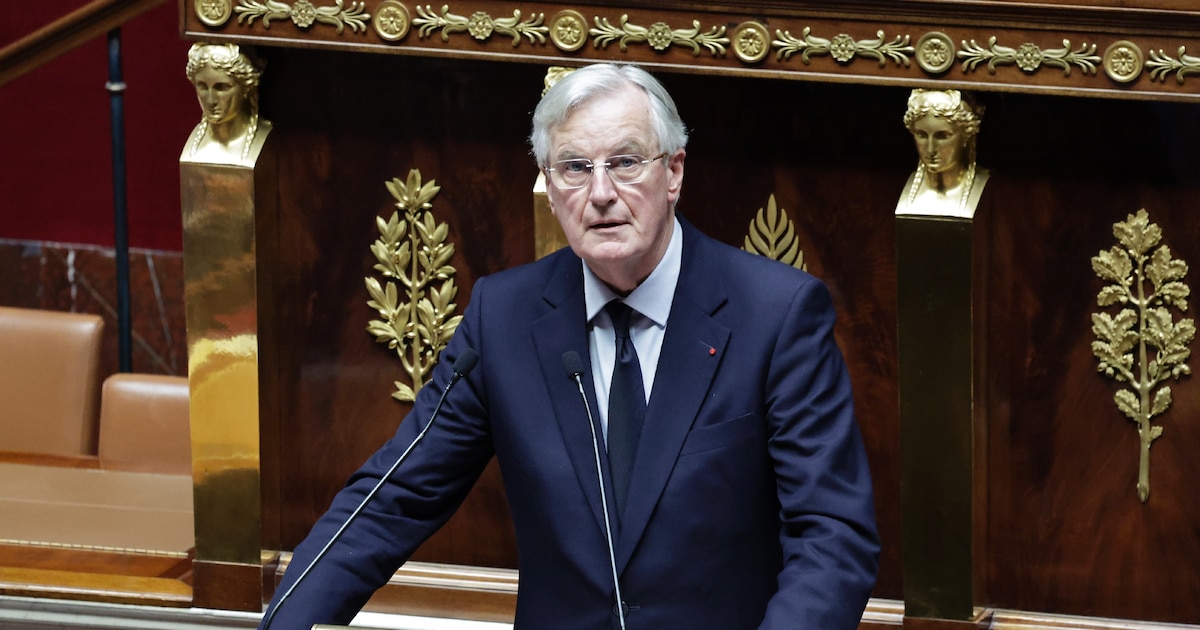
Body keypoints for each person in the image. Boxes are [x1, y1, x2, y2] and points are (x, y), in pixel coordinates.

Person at [261, 62, 879, 629]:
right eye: (575, 168)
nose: (602, 192)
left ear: (674, 172)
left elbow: (832, 535)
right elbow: (392, 498)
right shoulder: (504, 319)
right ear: (551, 189)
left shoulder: (775, 314)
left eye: (627, 162)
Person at [896, 88, 989, 218]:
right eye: (921, 135)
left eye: (942, 136)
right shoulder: (898, 186)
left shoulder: (991, 190)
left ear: (966, 135)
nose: (930, 149)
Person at [182, 43, 272, 166]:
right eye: (202, 86)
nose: (211, 100)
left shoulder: (265, 139)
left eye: (221, 87)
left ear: (246, 88)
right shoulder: (193, 147)